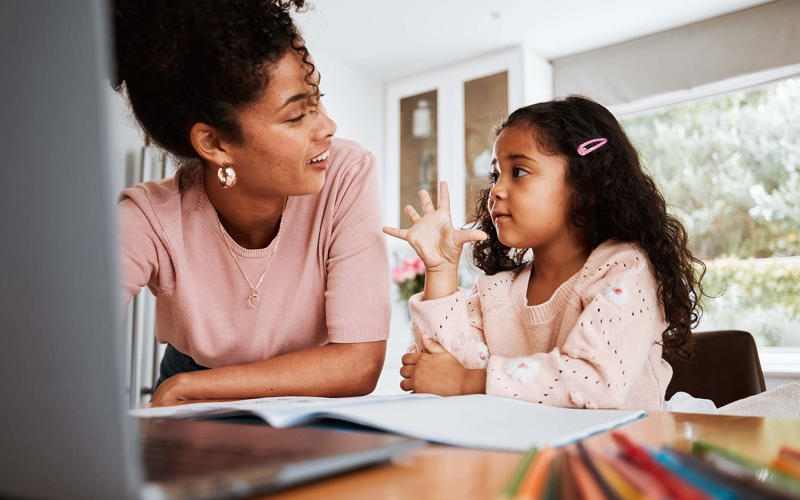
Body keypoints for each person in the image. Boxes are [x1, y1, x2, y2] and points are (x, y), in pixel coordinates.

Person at [112, 0, 390, 403]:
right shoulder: (149, 218)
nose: (328, 127)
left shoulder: (345, 172)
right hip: (191, 381)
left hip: (302, 389)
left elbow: (359, 364)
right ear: (214, 143)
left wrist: (191, 386)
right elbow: (65, 342)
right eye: (297, 116)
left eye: (318, 99)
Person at [383, 96, 705, 410]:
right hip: (530, 452)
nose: (495, 190)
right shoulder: (497, 290)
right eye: (495, 175)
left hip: (620, 454)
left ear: (587, 186)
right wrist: (440, 269)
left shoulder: (624, 269)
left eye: (519, 171)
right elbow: (443, 369)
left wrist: (468, 381)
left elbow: (595, 380)